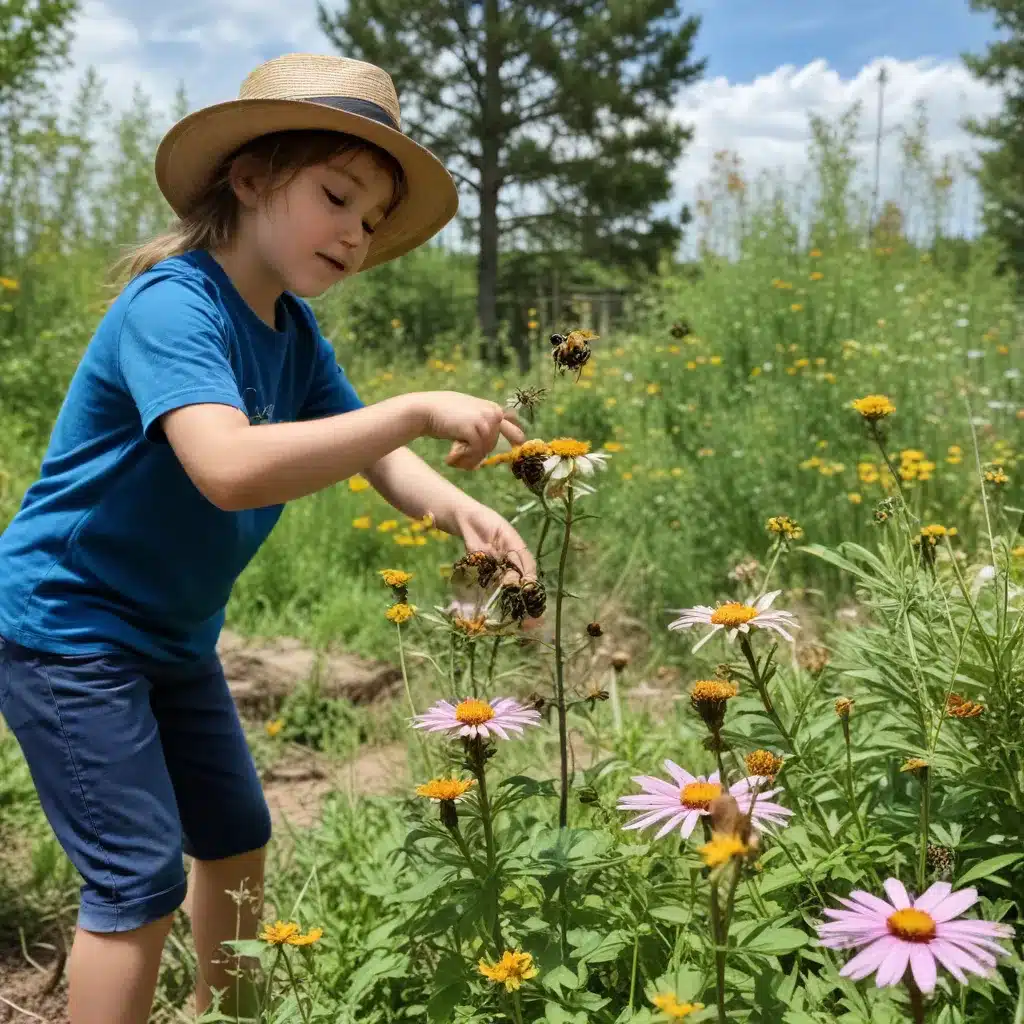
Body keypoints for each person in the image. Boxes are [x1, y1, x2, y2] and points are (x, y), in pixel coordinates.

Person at [0, 52, 535, 1024]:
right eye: (337, 195)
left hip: (170, 635)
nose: (358, 234)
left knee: (238, 831)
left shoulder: (290, 332)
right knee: (136, 876)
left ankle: (228, 1011)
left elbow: (371, 452)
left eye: (373, 220)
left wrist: (455, 508)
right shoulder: (174, 304)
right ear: (249, 178)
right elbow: (230, 465)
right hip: (69, 627)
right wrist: (414, 407)